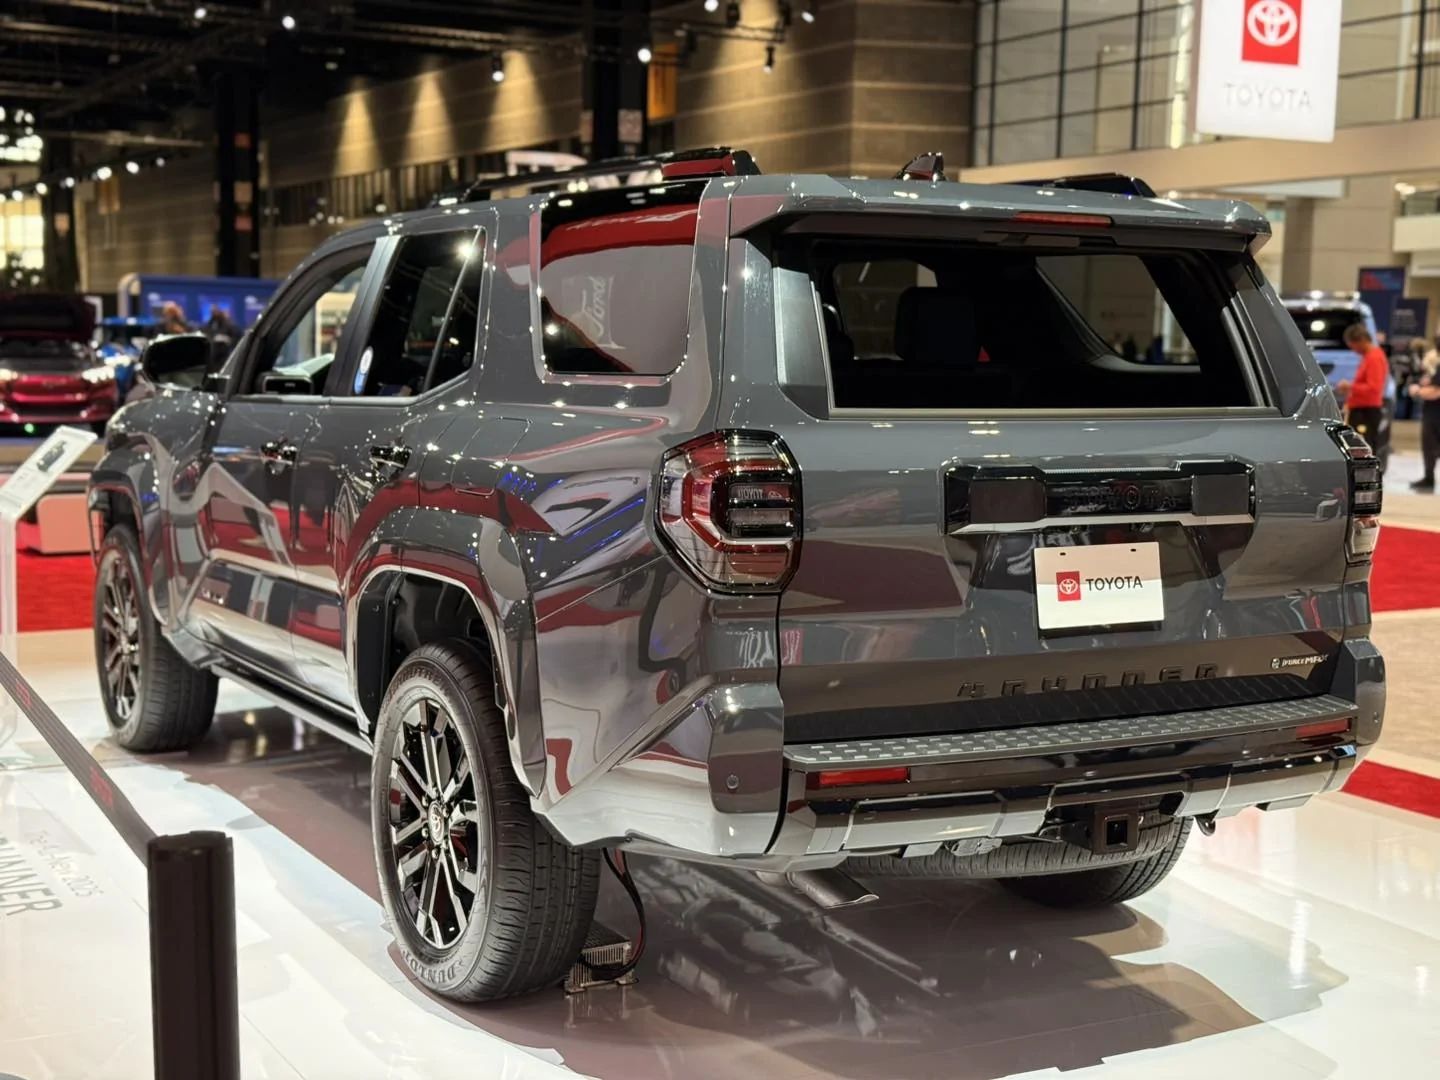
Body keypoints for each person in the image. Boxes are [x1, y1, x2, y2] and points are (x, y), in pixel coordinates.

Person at [1338, 322, 1391, 465]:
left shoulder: (1375, 358)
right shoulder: (1368, 357)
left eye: (1352, 345)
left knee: (1365, 449)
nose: (1352, 350)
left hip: (1367, 411)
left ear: (1361, 340)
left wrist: (1350, 387)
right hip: (1360, 409)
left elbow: (1374, 387)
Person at [1409, 340, 1440, 492]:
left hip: (1435, 414)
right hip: (1434, 412)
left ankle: (1429, 478)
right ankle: (1428, 477)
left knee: (1430, 446)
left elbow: (1436, 392)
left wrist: (1417, 391)